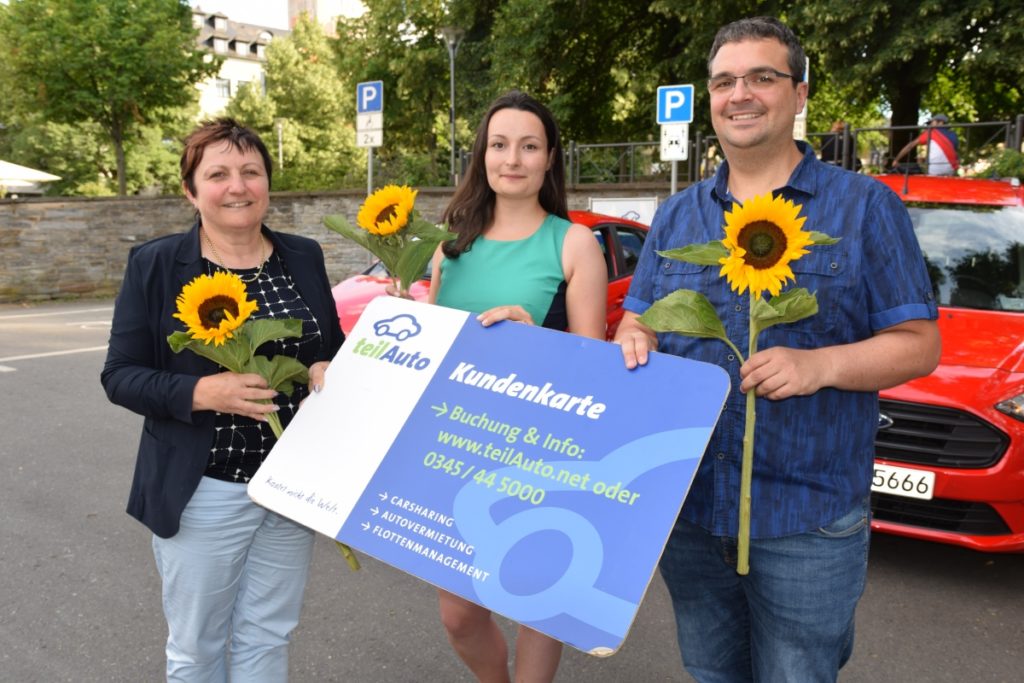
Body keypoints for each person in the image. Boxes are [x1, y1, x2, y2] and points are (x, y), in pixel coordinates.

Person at [615, 17, 940, 683]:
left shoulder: (864, 208)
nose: (741, 94)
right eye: (725, 81)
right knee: (712, 673)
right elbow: (637, 320)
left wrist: (820, 365)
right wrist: (635, 337)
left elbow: (920, 344)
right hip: (693, 510)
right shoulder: (678, 218)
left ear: (799, 94)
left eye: (763, 77)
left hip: (807, 519)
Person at [101, 118, 343, 681]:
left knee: (268, 635)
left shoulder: (302, 257)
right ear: (191, 190)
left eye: (251, 171)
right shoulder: (157, 265)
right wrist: (201, 391)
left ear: (267, 183)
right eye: (218, 174)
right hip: (203, 488)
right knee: (197, 647)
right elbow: (119, 375)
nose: (237, 186)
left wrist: (330, 368)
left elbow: (328, 351)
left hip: (290, 483)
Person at [427, 90, 608, 682]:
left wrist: (537, 340)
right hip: (457, 448)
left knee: (538, 600)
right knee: (458, 614)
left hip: (545, 449)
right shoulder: (448, 248)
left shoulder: (574, 243)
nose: (513, 158)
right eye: (500, 145)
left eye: (529, 146)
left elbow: (595, 372)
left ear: (549, 158)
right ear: (482, 156)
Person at [891, 113, 960, 175]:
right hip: (951, 169)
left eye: (932, 122)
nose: (930, 125)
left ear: (940, 122)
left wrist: (896, 159)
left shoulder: (932, 132)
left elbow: (910, 146)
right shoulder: (953, 135)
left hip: (935, 170)